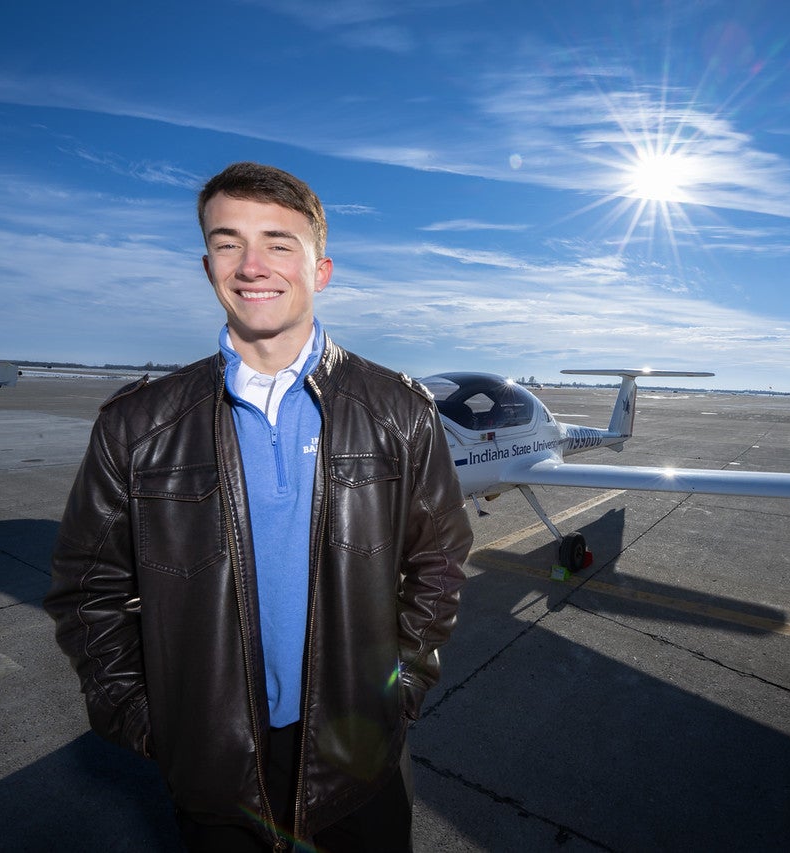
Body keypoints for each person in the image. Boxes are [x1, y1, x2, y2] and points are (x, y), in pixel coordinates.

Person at [45, 161, 473, 851]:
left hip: (359, 757)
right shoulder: (137, 423)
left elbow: (440, 562)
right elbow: (87, 590)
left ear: (320, 269)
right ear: (207, 263)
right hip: (212, 766)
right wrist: (145, 717)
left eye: (278, 242)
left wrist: (400, 688)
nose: (251, 265)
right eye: (226, 241)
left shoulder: (398, 411)